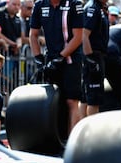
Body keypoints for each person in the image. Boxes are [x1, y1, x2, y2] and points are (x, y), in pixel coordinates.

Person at [29, 0, 83, 133]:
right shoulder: (39, 5)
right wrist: (38, 58)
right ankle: (54, 139)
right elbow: (33, 34)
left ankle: (73, 141)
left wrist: (61, 57)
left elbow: (78, 36)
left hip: (71, 59)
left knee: (71, 101)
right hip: (50, 60)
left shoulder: (75, 4)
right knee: (53, 101)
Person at [80, 0, 109, 116]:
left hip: (97, 55)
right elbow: (84, 35)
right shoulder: (92, 7)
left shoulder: (101, 7)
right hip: (93, 55)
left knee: (86, 98)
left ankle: (81, 129)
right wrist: (89, 59)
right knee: (93, 99)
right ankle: (91, 132)